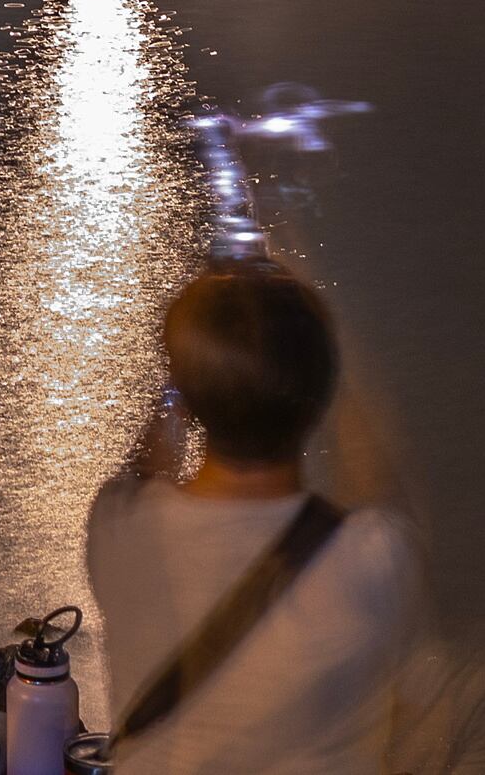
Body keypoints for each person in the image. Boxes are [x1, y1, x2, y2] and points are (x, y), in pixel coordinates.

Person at [84, 264, 422, 772]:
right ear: (318, 398)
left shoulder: (119, 532)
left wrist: (173, 395)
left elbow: (136, 475)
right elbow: (375, 477)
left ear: (190, 401)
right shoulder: (376, 557)